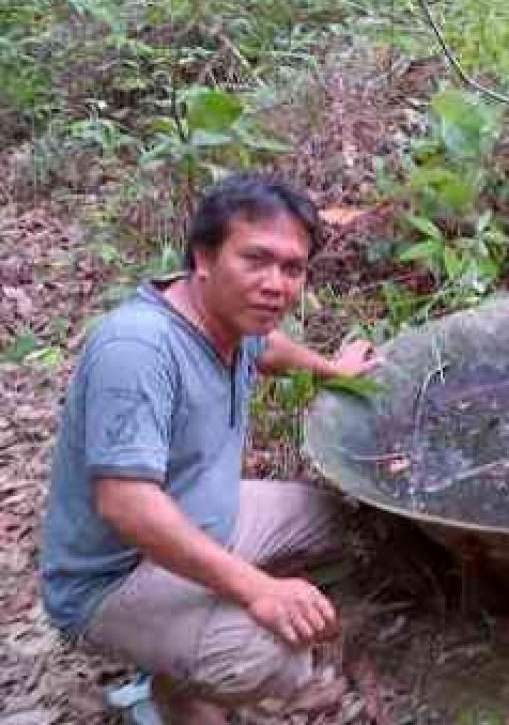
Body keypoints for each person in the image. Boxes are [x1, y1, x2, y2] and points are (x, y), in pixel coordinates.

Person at [38, 173, 381, 723]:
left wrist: (332, 370)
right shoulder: (138, 348)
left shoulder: (232, 319)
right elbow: (125, 504)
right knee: (272, 658)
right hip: (113, 577)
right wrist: (258, 589)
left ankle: (181, 653)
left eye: (292, 268)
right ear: (204, 257)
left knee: (340, 517)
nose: (276, 284)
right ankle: (171, 692)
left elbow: (269, 348)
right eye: (256, 259)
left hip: (202, 515)